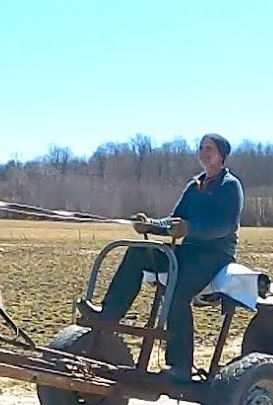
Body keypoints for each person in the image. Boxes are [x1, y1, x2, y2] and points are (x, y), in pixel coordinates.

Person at [76, 133, 244, 381]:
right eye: (201, 148)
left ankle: (180, 366)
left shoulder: (230, 186)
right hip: (189, 251)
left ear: (222, 155)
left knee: (176, 291)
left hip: (216, 255)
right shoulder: (195, 186)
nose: (204, 152)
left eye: (210, 149)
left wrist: (189, 229)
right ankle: (109, 314)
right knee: (138, 252)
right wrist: (150, 225)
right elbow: (173, 219)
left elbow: (225, 226)